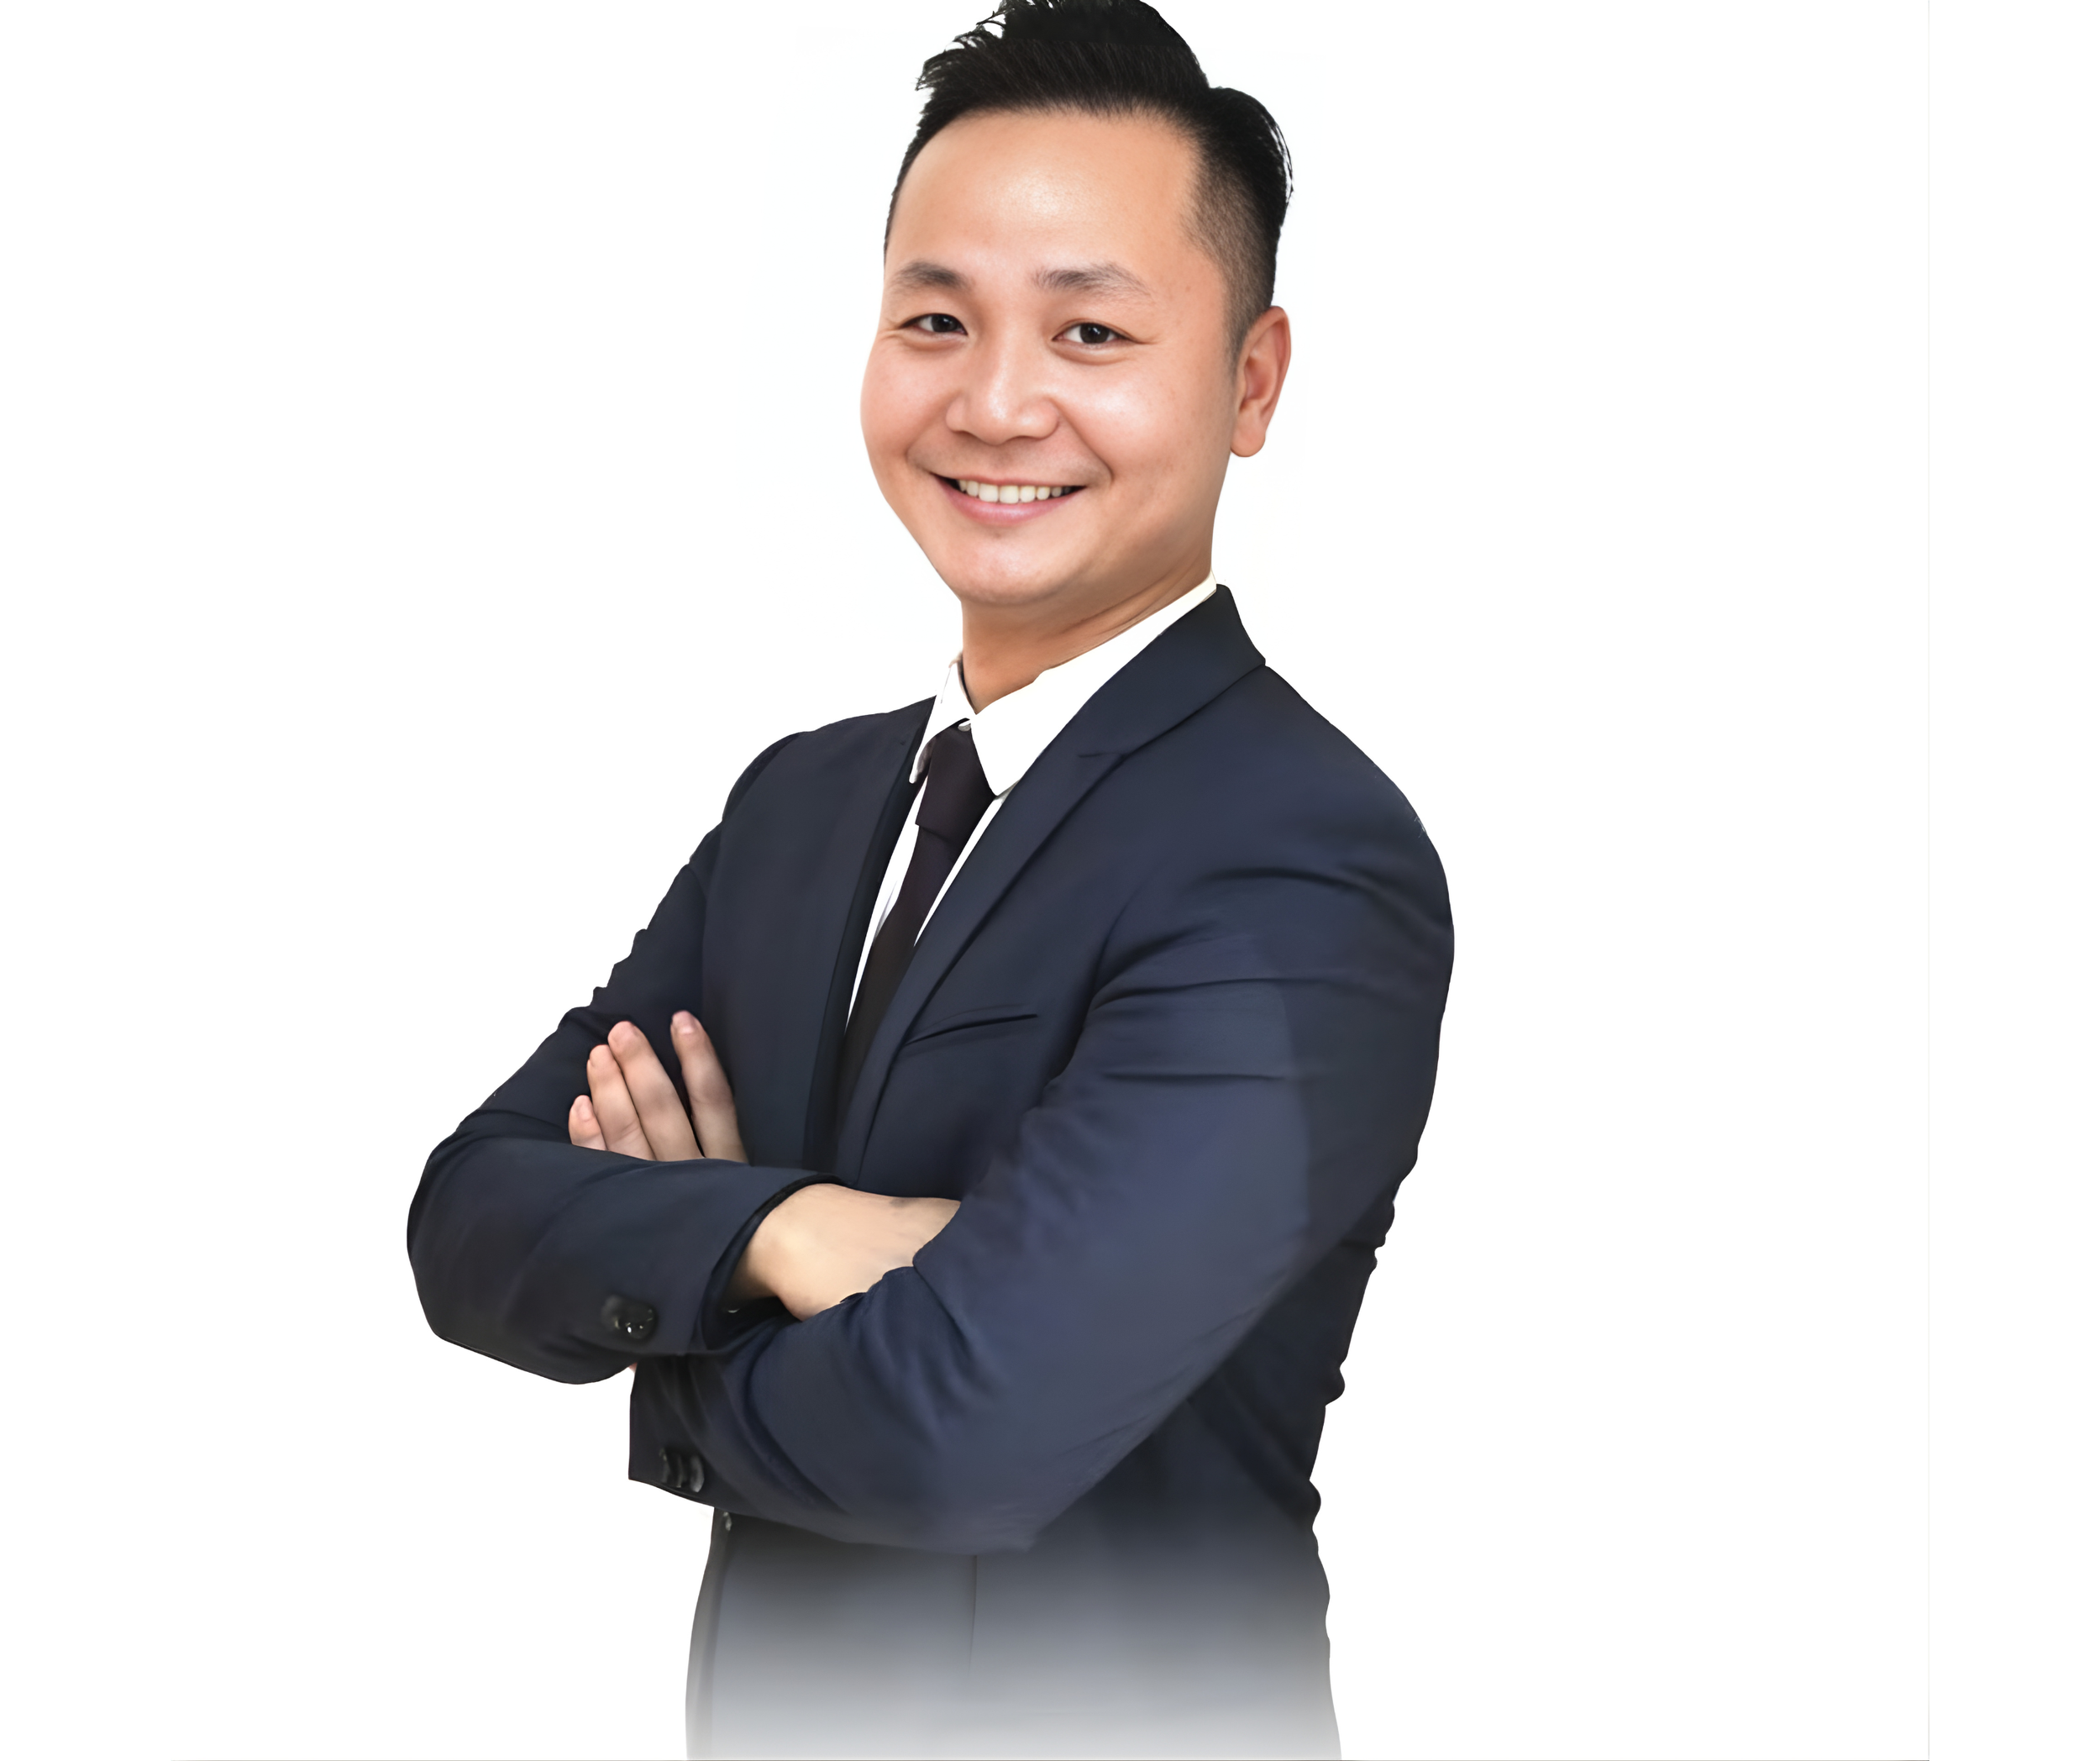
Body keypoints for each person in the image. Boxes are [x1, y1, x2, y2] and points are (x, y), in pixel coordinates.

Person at [407, 1, 1452, 1753]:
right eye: (935, 319)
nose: (994, 400)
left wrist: (672, 1314)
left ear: (1248, 379)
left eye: (1091, 328)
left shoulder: (1298, 854)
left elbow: (963, 1431)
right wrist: (800, 1228)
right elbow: (468, 1216)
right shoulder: (803, 805)